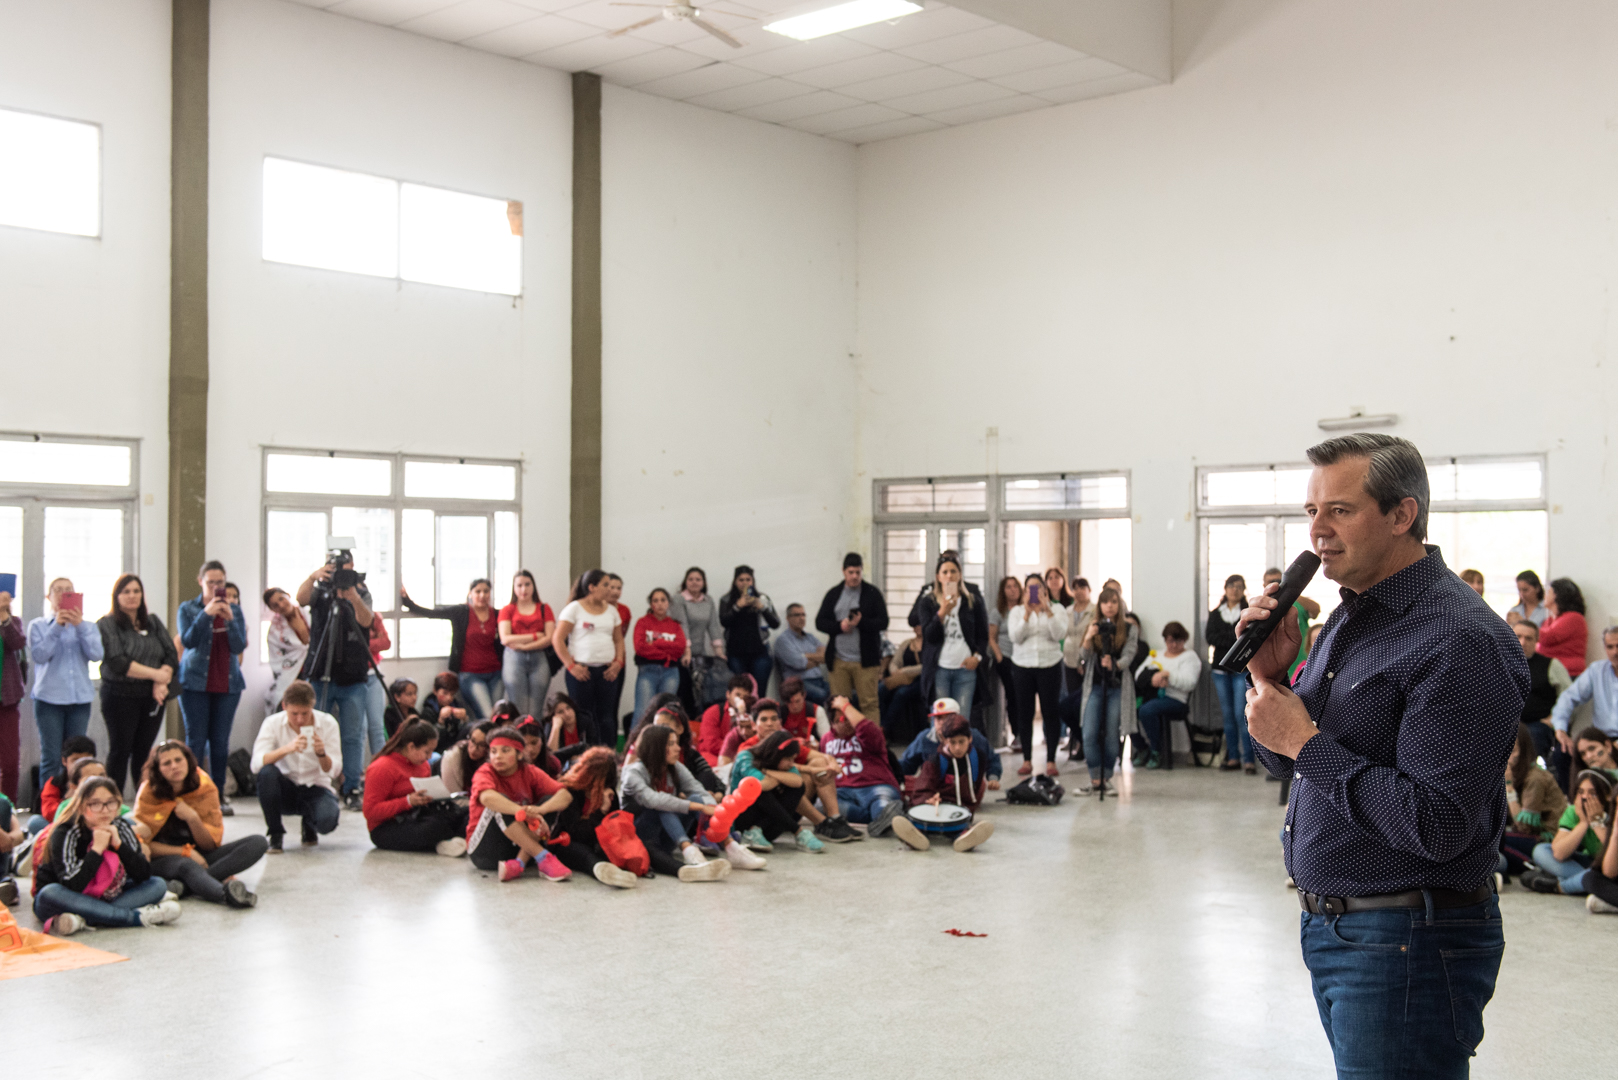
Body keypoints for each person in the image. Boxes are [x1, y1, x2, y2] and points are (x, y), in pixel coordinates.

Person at [1240, 433, 1525, 1077]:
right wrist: (1269, 678)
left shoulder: (1459, 638)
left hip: (1407, 940)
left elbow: (1438, 823)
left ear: (1402, 515)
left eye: (1339, 511)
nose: (1318, 531)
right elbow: (1286, 763)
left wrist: (1305, 741)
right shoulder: (1353, 616)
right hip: (1343, 930)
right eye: (1312, 512)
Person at [31, 775, 182, 935]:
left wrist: (119, 845)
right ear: (81, 807)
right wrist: (96, 850)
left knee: (157, 884)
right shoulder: (66, 831)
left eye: (110, 803)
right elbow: (71, 885)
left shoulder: (120, 826)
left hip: (108, 895)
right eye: (95, 804)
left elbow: (143, 874)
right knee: (49, 892)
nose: (105, 810)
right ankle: (135, 917)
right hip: (66, 898)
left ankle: (83, 920)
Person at [135, 740, 266, 908]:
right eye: (167, 763)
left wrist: (193, 818)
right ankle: (225, 894)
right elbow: (141, 844)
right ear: (158, 769)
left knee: (258, 842)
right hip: (163, 858)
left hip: (200, 854)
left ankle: (186, 887)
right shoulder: (148, 791)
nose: (174, 766)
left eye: (178, 760)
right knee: (186, 864)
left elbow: (210, 844)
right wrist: (185, 852)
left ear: (188, 761)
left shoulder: (204, 786)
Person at [291, 554, 376, 810]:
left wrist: (353, 597)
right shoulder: (320, 590)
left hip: (353, 676)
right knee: (313, 731)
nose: (340, 573)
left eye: (345, 568)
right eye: (335, 568)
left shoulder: (361, 591)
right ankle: (316, 784)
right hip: (320, 673)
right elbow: (301, 599)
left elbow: (367, 621)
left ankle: (351, 787)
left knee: (352, 736)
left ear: (353, 568)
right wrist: (312, 577)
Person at [95, 574, 180, 798]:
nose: (132, 596)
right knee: (120, 751)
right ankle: (112, 802)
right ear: (116, 596)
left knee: (144, 753)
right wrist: (157, 676)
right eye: (126, 592)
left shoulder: (152, 621)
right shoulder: (107, 624)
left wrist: (161, 680)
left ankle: (145, 801)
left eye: (136, 591)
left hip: (152, 697)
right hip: (120, 696)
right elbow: (118, 661)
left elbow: (171, 654)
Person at [176, 560, 248, 815]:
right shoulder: (188, 609)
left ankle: (217, 796)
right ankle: (192, 794)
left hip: (227, 682)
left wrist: (229, 620)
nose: (216, 587)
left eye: (220, 582)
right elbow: (188, 640)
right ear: (201, 582)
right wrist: (206, 614)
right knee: (195, 741)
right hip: (195, 682)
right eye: (211, 582)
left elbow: (239, 646)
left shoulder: (235, 610)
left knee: (219, 742)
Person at [619, 724, 730, 881]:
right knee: (663, 805)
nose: (678, 748)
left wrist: (714, 810)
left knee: (696, 798)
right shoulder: (634, 772)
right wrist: (700, 807)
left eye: (677, 743)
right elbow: (653, 799)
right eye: (671, 744)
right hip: (640, 838)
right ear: (656, 747)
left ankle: (729, 845)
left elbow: (698, 790)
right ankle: (689, 852)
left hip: (666, 838)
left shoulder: (675, 767)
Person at [28, 577, 103, 798]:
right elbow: (39, 655)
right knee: (51, 756)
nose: (63, 593)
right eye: (58, 590)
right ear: (49, 596)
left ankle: (77, 801)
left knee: (78, 755)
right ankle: (49, 805)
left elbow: (97, 654)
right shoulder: (38, 626)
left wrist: (79, 626)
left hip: (79, 700)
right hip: (48, 699)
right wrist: (57, 627)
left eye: (68, 590)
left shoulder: (88, 626)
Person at [466, 726, 573, 882]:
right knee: (499, 803)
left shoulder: (529, 771)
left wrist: (540, 810)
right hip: (485, 853)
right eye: (493, 751)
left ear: (519, 754)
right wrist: (523, 812)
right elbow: (487, 798)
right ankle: (543, 857)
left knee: (550, 801)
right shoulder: (485, 771)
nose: (498, 756)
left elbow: (565, 796)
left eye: (505, 751)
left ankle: (518, 864)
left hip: (517, 848)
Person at [251, 680, 343, 853]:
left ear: (312, 706)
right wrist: (287, 749)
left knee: (327, 822)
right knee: (267, 773)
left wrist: (322, 754)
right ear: (284, 706)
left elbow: (335, 771)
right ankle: (275, 833)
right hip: (286, 788)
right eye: (294, 714)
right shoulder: (272, 723)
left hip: (316, 787)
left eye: (305, 713)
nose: (299, 719)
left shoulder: (328, 723)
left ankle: (309, 823)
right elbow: (256, 764)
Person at [891, 715, 997, 854]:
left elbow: (975, 787)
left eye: (961, 741)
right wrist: (929, 798)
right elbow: (922, 787)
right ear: (945, 741)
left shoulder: (978, 758)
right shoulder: (935, 760)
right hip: (936, 806)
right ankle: (916, 835)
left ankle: (964, 837)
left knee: (959, 825)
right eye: (953, 742)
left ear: (970, 739)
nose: (957, 747)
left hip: (960, 809)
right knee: (924, 818)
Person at [400, 578, 503, 719]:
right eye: (478, 591)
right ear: (470, 593)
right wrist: (408, 602)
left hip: (496, 674)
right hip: (471, 674)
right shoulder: (461, 612)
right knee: (487, 715)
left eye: (486, 591)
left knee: (498, 716)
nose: (482, 595)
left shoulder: (497, 614)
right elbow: (433, 613)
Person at [363, 719, 468, 857]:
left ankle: (447, 841)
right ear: (411, 747)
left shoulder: (423, 765)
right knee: (434, 827)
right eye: (427, 751)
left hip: (416, 816)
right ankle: (449, 841)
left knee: (465, 814)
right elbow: (370, 811)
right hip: (387, 826)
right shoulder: (382, 767)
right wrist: (407, 801)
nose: (429, 757)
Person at [910, 551, 988, 721]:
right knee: (940, 722)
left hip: (965, 670)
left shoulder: (972, 601)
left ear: (960, 575)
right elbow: (929, 636)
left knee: (961, 721)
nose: (949, 576)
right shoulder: (928, 602)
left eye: (953, 571)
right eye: (945, 572)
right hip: (939, 670)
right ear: (938, 577)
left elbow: (983, 635)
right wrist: (942, 612)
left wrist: (977, 657)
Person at [552, 569, 626, 748]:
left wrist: (618, 662)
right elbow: (557, 639)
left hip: (607, 671)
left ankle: (608, 754)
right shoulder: (574, 609)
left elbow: (618, 640)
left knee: (606, 716)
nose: (610, 589)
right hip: (581, 672)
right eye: (606, 585)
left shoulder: (612, 611)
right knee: (584, 715)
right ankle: (585, 754)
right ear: (591, 587)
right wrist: (571, 666)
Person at [815, 553, 890, 723]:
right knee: (840, 705)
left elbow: (883, 622)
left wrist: (861, 622)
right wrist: (839, 627)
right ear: (843, 571)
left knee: (869, 703)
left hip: (865, 660)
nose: (855, 576)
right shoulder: (834, 594)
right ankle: (842, 737)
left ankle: (871, 738)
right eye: (851, 572)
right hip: (839, 660)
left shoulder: (872, 593)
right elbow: (820, 622)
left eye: (858, 572)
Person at [1075, 587, 1137, 792]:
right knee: (1089, 733)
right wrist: (1088, 637)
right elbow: (1082, 658)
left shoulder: (1129, 628)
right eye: (1105, 602)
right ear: (1099, 606)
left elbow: (1129, 655)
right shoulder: (1094, 626)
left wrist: (1115, 664)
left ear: (1119, 605)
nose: (1109, 606)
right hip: (1095, 686)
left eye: (1113, 602)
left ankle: (1106, 776)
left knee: (1112, 734)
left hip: (1117, 687)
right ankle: (1095, 777)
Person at [549, 747, 640, 887]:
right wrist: (601, 811)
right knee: (580, 851)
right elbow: (576, 833)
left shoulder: (609, 793)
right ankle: (601, 870)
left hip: (597, 843)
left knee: (637, 844)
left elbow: (614, 828)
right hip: (567, 843)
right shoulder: (570, 791)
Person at [1007, 572, 1067, 778]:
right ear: (1025, 592)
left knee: (1050, 712)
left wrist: (1046, 610)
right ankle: (1027, 760)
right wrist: (1027, 614)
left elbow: (1059, 635)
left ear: (1044, 590)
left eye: (1038, 588)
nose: (1035, 592)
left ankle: (1051, 760)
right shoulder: (1017, 612)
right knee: (1025, 713)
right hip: (1023, 665)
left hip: (1050, 664)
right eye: (1030, 589)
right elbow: (1015, 637)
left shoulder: (1057, 609)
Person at [820, 695, 904, 837]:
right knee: (822, 805)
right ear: (832, 723)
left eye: (849, 715)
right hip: (842, 791)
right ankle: (876, 820)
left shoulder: (868, 733)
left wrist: (845, 706)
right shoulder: (825, 740)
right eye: (842, 719)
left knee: (882, 803)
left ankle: (881, 816)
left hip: (875, 786)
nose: (848, 721)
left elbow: (865, 727)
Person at [1548, 625, 1618, 794]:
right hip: (1600, 738)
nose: (1615, 652)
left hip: (1611, 743)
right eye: (1610, 647)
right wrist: (1560, 729)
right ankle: (1574, 802)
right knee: (1562, 753)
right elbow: (1568, 698)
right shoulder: (1597, 671)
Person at [1522, 770, 1612, 895]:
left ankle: (1563, 885)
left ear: (1608, 795)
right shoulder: (1573, 812)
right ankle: (1587, 883)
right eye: (1581, 792)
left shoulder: (1614, 813)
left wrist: (1596, 823)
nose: (1585, 797)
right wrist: (1584, 823)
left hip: (1609, 867)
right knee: (1541, 850)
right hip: (1589, 865)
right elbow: (1559, 853)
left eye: (1592, 793)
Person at [730, 730, 821, 853]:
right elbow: (762, 785)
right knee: (759, 790)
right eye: (788, 759)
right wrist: (780, 778)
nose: (791, 764)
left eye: (793, 759)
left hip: (769, 827)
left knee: (797, 788)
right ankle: (798, 831)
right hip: (742, 824)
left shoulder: (776, 765)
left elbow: (798, 781)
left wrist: (768, 772)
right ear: (775, 755)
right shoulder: (745, 756)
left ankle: (757, 829)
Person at [1500, 723, 1566, 879]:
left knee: (1496, 843)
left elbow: (1524, 827)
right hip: (1526, 837)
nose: (1507, 757)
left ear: (1523, 751)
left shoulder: (1535, 778)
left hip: (1547, 839)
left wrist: (1509, 787)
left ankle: (1535, 867)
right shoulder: (1516, 774)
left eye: (1512, 751)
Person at [1135, 622, 1202, 769]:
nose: (1174, 645)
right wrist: (1153, 678)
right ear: (1165, 640)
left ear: (1184, 640)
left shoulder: (1190, 657)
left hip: (1176, 699)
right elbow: (1139, 674)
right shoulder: (1157, 654)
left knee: (1147, 710)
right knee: (1129, 710)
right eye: (1170, 641)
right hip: (1153, 695)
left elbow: (1190, 683)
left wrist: (1168, 676)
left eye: (1178, 641)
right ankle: (1141, 748)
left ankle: (1156, 750)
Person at [901, 697, 1004, 788]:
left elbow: (992, 759)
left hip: (967, 789)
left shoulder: (973, 736)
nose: (942, 722)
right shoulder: (924, 738)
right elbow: (908, 764)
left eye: (947, 717)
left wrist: (993, 778)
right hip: (935, 789)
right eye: (938, 718)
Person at [1205, 574, 1250, 770]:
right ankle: (1233, 757)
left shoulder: (1247, 611)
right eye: (1231, 586)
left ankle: (1249, 759)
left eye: (1239, 586)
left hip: (1241, 669)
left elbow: (1247, 637)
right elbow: (1210, 637)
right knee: (1228, 715)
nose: (1235, 590)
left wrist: (1228, 639)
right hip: (1220, 671)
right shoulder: (1216, 614)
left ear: (1243, 590)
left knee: (1242, 714)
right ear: (1225, 589)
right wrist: (1233, 638)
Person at [498, 569, 555, 721]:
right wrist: (535, 636)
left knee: (536, 709)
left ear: (533, 586)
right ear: (514, 588)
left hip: (539, 658)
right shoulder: (507, 610)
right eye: (519, 585)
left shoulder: (544, 608)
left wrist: (524, 646)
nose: (524, 589)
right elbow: (505, 639)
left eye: (527, 584)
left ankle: (535, 736)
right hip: (514, 659)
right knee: (518, 709)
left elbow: (549, 638)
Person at [669, 567, 726, 711]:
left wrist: (719, 652)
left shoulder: (708, 600)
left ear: (704, 582)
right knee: (684, 692)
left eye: (698, 579)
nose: (694, 582)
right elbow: (682, 626)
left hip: (700, 653)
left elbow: (713, 626)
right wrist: (687, 652)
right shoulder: (679, 599)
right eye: (691, 579)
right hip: (681, 653)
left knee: (701, 694)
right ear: (685, 582)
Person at [1513, 620, 1570, 761]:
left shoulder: (1551, 665)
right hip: (1505, 723)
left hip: (1537, 725)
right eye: (1518, 636)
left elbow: (1568, 697)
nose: (1523, 642)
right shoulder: (1498, 662)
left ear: (1536, 641)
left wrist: (1554, 719)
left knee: (1530, 741)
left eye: (1528, 638)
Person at [719, 565, 779, 693]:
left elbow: (775, 623)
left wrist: (762, 608)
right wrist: (737, 606)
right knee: (741, 692)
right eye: (741, 580)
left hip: (760, 653)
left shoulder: (762, 598)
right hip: (736, 654)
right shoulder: (726, 600)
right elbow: (724, 622)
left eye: (748, 579)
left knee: (759, 692)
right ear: (735, 582)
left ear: (753, 581)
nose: (745, 583)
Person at [632, 587, 686, 720]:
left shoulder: (675, 625)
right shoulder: (643, 622)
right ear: (651, 605)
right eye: (655, 601)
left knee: (666, 712)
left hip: (670, 672)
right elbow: (640, 648)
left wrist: (656, 643)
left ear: (668, 603)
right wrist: (667, 651)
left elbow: (680, 648)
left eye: (663, 600)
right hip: (648, 671)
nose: (660, 604)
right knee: (643, 712)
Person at [1261, 565, 1317, 680]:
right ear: (1264, 585)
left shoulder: (1297, 602)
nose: (1275, 584)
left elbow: (1316, 610)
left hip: (1301, 660)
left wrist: (1290, 591)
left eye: (1278, 581)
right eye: (1271, 581)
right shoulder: (1262, 606)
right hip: (1276, 664)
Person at [261, 587, 310, 713]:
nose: (281, 605)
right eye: (275, 605)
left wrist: (302, 630)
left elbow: (312, 643)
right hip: (292, 676)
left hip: (314, 672)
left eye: (281, 599)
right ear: (272, 610)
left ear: (288, 595)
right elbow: (277, 660)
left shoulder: (309, 614)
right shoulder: (275, 632)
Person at [772, 603, 830, 706]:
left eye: (803, 615)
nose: (801, 618)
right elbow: (799, 664)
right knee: (821, 695)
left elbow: (826, 657)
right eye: (797, 615)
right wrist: (817, 659)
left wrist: (805, 655)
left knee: (845, 694)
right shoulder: (783, 640)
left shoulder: (810, 637)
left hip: (819, 680)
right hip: (799, 684)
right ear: (788, 618)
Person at [988, 576, 1022, 751]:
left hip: (1023, 658)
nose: (1012, 590)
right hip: (1006, 658)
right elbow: (991, 638)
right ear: (1003, 591)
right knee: (1012, 696)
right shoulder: (998, 612)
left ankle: (1025, 732)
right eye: (1008, 587)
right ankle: (1017, 734)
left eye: (1015, 586)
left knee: (1023, 697)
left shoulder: (1025, 609)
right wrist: (1000, 657)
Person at [1536, 577, 1589, 679]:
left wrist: (1526, 628)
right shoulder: (1548, 621)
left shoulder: (1574, 617)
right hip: (1550, 672)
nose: (1544, 596)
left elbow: (1548, 638)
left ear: (1557, 595)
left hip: (1568, 674)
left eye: (1548, 592)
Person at [697, 674, 755, 762]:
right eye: (738, 695)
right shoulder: (713, 712)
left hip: (740, 756)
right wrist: (735, 749)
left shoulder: (752, 715)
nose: (741, 700)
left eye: (745, 697)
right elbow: (711, 744)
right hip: (712, 756)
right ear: (728, 694)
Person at [0, 583, 22, 802]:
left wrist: (3, 615)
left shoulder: (12, 622)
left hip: (7, 701)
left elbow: (17, 643)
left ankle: (8, 812)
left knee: (10, 764)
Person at [440, 720, 493, 795]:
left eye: (481, 745)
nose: (474, 749)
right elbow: (455, 796)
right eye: (472, 741)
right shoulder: (452, 757)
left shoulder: (493, 761)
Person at [421, 672, 470, 748]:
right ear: (435, 691)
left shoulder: (456, 705)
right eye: (445, 693)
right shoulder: (428, 711)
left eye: (452, 694)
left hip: (455, 747)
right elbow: (429, 740)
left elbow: (462, 735)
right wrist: (441, 722)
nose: (449, 698)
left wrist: (464, 720)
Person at [779, 677, 829, 745]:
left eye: (797, 701)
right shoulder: (779, 713)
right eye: (790, 702)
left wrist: (817, 746)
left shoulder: (817, 711)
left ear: (804, 695)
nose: (794, 706)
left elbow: (827, 742)